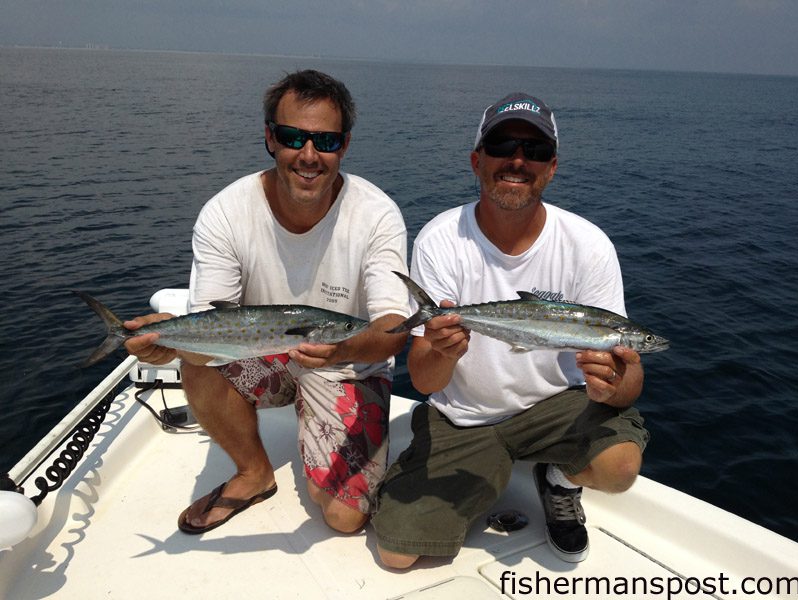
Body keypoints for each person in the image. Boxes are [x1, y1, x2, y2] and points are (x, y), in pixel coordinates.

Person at [124, 70, 409, 535]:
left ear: (345, 145)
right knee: (198, 361)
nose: (309, 155)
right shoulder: (226, 213)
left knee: (343, 517)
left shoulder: (376, 215)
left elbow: (394, 328)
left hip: (348, 362)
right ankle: (254, 472)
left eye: (326, 140)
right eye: (293, 136)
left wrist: (340, 351)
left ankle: (318, 423)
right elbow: (211, 330)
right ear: (270, 138)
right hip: (260, 357)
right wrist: (171, 344)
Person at [372, 93, 650, 567]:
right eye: (503, 146)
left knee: (620, 466)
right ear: (477, 160)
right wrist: (443, 351)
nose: (518, 160)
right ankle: (482, 467)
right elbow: (423, 381)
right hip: (465, 414)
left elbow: (630, 384)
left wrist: (615, 385)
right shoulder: (443, 238)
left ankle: (557, 480)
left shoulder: (589, 245)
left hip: (555, 407)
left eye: (535, 151)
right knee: (397, 553)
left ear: (553, 167)